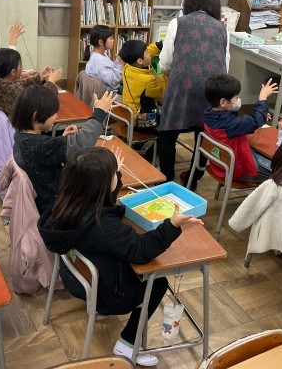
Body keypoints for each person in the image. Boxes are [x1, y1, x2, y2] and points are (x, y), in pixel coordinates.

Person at [38, 147, 203, 367]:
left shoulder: (68, 201)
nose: (117, 176)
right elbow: (141, 250)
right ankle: (127, 344)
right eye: (113, 174)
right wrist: (172, 225)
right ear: (101, 184)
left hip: (74, 276)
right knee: (157, 283)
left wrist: (112, 172)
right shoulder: (101, 224)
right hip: (109, 294)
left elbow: (103, 202)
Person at [158, 0, 230, 185]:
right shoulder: (222, 28)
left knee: (167, 133)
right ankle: (193, 178)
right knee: (204, 134)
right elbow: (225, 63)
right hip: (212, 90)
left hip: (182, 87)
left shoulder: (177, 23)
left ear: (190, 3)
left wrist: (171, 70)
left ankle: (166, 178)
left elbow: (165, 63)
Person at [10, 84, 117, 215]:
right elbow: (81, 144)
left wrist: (62, 140)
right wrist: (99, 113)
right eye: (53, 113)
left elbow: (46, 151)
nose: (56, 116)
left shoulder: (21, 136)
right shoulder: (38, 146)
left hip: (46, 201)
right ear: (35, 117)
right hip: (57, 208)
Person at [202, 74, 277, 185]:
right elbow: (256, 121)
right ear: (223, 102)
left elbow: (244, 121)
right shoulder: (230, 124)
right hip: (236, 171)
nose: (238, 100)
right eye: (236, 97)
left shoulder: (209, 114)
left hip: (219, 165)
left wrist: (260, 115)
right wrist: (263, 97)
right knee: (276, 175)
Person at [0, 47, 62, 117]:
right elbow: (42, 106)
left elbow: (22, 84)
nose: (22, 68)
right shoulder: (12, 91)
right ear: (13, 72)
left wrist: (40, 78)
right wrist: (51, 83)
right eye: (20, 65)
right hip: (18, 129)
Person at [119, 39, 166, 130]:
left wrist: (158, 45)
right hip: (142, 122)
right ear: (140, 61)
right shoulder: (149, 81)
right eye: (147, 52)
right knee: (169, 123)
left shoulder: (127, 67)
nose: (149, 53)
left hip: (128, 116)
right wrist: (158, 67)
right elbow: (163, 92)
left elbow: (144, 55)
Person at [85, 24, 123, 92]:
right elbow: (113, 82)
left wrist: (118, 60)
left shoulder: (100, 54)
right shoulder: (98, 61)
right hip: (108, 93)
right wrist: (120, 63)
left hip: (109, 88)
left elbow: (110, 68)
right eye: (111, 38)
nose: (113, 41)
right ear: (101, 42)